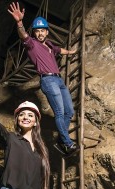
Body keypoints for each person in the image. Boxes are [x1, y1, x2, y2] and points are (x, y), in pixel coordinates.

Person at [8, 2, 79, 155]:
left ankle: (61, 140)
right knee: (59, 112)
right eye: (37, 31)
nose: (40, 33)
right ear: (34, 33)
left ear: (47, 32)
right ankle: (67, 144)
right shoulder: (32, 44)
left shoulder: (48, 44)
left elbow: (59, 49)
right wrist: (19, 22)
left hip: (58, 80)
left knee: (69, 112)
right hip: (48, 80)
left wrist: (72, 52)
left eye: (43, 31)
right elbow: (23, 36)